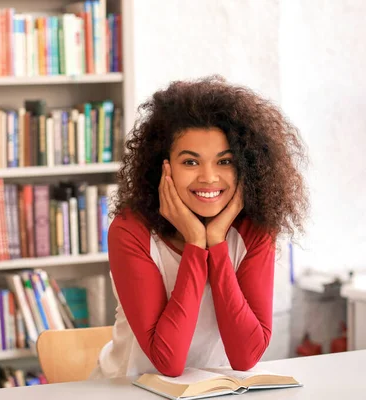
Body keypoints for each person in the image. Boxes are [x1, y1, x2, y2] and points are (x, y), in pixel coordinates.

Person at [90, 76, 308, 379]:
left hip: (214, 391)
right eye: (191, 162)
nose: (208, 178)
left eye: (225, 161)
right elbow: (167, 361)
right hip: (129, 389)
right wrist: (195, 243)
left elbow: (246, 356)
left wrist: (216, 243)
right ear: (164, 167)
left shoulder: (255, 230)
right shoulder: (131, 231)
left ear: (245, 167)